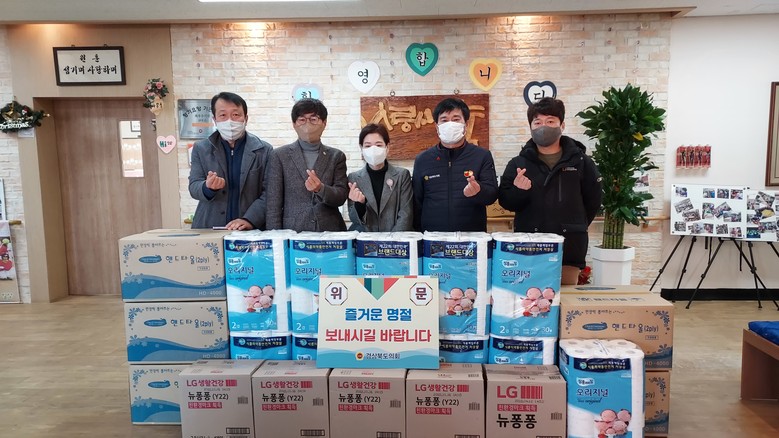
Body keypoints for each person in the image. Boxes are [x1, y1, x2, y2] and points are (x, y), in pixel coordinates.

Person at [497, 97, 602, 285]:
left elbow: (593, 200)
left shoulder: (581, 162)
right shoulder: (518, 163)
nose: (543, 127)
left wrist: (575, 224)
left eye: (550, 121)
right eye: (537, 122)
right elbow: (506, 201)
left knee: (566, 295)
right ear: (531, 127)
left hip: (569, 246)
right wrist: (519, 191)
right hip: (528, 247)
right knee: (530, 294)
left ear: (562, 125)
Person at [188, 92, 273, 230]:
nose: (230, 121)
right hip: (209, 227)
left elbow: (269, 193)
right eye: (223, 115)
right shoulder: (201, 148)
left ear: (246, 118)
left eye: (236, 115)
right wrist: (207, 187)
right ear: (214, 119)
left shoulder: (264, 150)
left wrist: (249, 219)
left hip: (250, 230)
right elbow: (194, 186)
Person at [412, 97, 498, 232]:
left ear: (466, 124)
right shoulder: (423, 160)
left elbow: (492, 196)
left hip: (471, 236)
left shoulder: (482, 156)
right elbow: (416, 203)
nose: (450, 124)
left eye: (456, 119)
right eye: (444, 120)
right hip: (432, 237)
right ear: (437, 126)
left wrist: (478, 191)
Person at [265, 98, 349, 231]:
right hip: (293, 230)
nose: (307, 124)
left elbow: (341, 196)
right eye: (302, 120)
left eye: (313, 119)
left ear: (324, 123)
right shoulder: (279, 155)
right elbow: (273, 204)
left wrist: (321, 189)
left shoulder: (336, 156)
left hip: (330, 230)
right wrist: (275, 236)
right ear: (294, 124)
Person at [347, 123, 413, 232]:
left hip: (396, 239)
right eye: (367, 146)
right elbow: (354, 219)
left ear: (387, 147)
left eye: (378, 145)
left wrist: (392, 239)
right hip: (366, 239)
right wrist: (359, 204)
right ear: (361, 148)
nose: (373, 150)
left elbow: (406, 214)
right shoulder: (354, 178)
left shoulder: (402, 175)